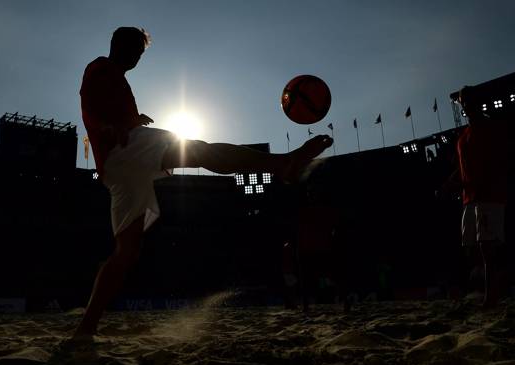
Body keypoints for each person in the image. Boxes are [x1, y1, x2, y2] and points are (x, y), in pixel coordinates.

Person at [74, 27, 333, 335]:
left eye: (141, 55)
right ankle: (281, 164)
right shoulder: (101, 67)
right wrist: (110, 127)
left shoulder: (118, 79)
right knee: (199, 151)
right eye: (135, 52)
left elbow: (107, 108)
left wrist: (130, 119)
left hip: (117, 169)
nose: (137, 59)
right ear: (119, 45)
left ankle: (85, 329)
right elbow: (89, 101)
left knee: (126, 252)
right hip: (125, 150)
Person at [444, 85, 507, 307]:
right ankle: (484, 291)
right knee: (472, 248)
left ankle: (492, 298)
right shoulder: (464, 136)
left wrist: (463, 181)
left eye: (467, 99)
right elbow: (463, 166)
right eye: (463, 100)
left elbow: (496, 161)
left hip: (488, 194)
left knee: (487, 248)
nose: (464, 103)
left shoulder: (488, 127)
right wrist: (452, 181)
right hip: (470, 196)